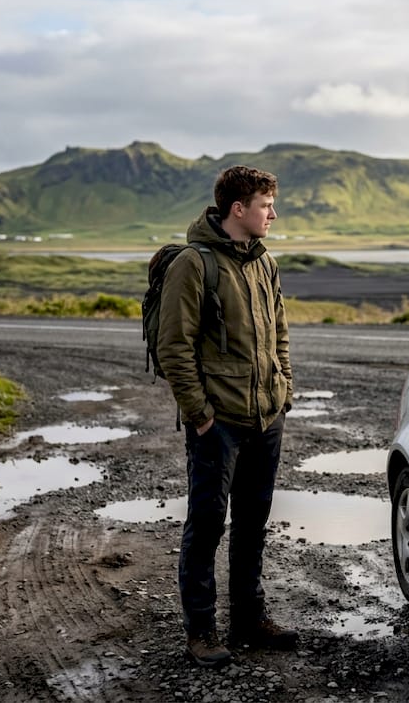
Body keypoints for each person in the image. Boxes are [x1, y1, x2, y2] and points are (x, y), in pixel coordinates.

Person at [156, 165, 296, 667]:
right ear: (238, 209)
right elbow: (173, 346)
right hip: (219, 425)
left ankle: (249, 620)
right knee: (208, 524)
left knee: (253, 522)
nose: (272, 214)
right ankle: (201, 632)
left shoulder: (264, 263)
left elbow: (279, 330)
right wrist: (199, 415)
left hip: (265, 418)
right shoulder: (194, 264)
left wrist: (283, 389)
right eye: (265, 205)